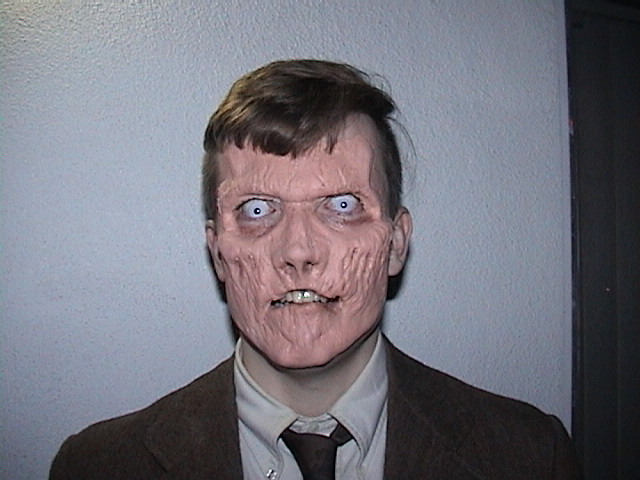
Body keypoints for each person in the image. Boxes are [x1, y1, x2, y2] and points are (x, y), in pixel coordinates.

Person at [50, 59, 582, 479]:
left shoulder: (531, 457)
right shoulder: (96, 467)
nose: (298, 251)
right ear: (218, 253)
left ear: (396, 244)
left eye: (342, 206)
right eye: (257, 210)